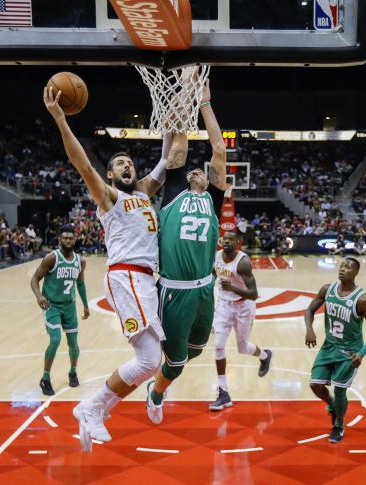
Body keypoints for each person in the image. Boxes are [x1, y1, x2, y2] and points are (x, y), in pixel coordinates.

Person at [44, 84, 170, 453]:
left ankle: (99, 408)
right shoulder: (110, 197)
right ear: (111, 176)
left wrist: (172, 115)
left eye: (130, 160)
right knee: (148, 360)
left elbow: (167, 157)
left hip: (144, 280)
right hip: (126, 275)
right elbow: (82, 164)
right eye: (119, 163)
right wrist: (60, 120)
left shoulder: (144, 193)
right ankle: (91, 407)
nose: (127, 164)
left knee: (151, 361)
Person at [145, 79, 228, 424]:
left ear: (207, 180)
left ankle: (164, 370)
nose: (195, 169)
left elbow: (219, 151)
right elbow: (179, 143)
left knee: (196, 350)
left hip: (205, 289)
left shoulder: (214, 199)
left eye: (200, 171)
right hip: (174, 291)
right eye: (191, 169)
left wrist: (205, 103)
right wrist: (184, 96)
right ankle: (155, 393)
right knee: (176, 365)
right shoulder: (175, 189)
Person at [304, 257, 366, 443]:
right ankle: (332, 406)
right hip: (329, 346)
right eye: (342, 266)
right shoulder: (327, 289)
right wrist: (309, 329)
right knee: (315, 385)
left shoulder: (362, 299)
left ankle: (338, 425)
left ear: (356, 273)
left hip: (349, 353)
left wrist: (361, 353)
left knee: (340, 390)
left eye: (349, 267)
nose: (343, 269)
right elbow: (309, 310)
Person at [208, 231, 271, 411]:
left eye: (231, 239)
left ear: (238, 242)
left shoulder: (243, 262)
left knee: (242, 348)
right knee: (218, 345)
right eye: (224, 239)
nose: (226, 242)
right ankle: (223, 393)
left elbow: (253, 293)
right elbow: (213, 275)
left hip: (244, 306)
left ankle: (265, 356)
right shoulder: (216, 257)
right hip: (224, 305)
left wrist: (233, 288)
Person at [30, 224, 89, 394]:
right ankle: (45, 378)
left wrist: (85, 304)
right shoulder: (51, 258)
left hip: (69, 306)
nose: (68, 240)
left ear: (75, 239)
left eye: (71, 237)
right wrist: (39, 296)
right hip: (52, 305)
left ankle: (73, 372)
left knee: (73, 343)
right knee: (55, 340)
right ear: (60, 239)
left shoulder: (80, 261)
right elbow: (34, 279)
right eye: (64, 237)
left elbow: (80, 283)